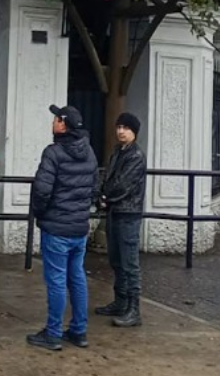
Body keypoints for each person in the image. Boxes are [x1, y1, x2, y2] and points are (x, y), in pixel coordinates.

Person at [26, 104, 98, 352]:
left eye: (56, 119)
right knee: (77, 278)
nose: (53, 122)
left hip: (56, 227)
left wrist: (40, 213)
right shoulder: (89, 151)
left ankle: (53, 333)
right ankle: (79, 330)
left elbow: (42, 190)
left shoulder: (53, 153)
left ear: (63, 125)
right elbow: (93, 188)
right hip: (79, 227)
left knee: (56, 280)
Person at [96, 111, 147, 328]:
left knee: (129, 263)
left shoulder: (136, 156)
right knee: (116, 260)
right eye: (119, 127)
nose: (121, 131)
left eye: (125, 128)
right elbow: (108, 177)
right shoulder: (118, 152)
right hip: (115, 212)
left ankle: (134, 309)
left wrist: (105, 197)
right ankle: (120, 301)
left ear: (134, 132)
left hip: (128, 214)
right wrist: (102, 194)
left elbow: (123, 185)